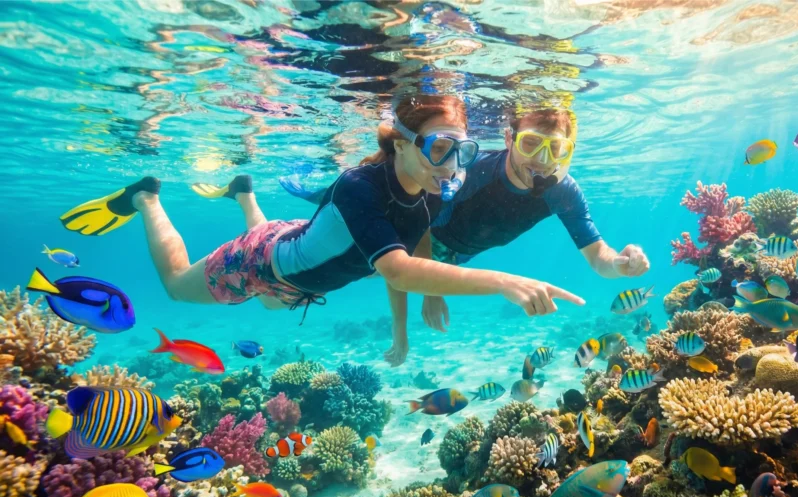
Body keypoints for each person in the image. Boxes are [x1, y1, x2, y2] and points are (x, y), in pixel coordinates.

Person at [59, 95, 585, 357]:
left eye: (462, 152)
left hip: (298, 259)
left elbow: (406, 260)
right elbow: (400, 270)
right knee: (177, 287)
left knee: (271, 296)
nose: (451, 168)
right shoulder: (361, 186)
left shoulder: (432, 189)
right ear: (401, 142)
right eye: (439, 149)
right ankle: (148, 198)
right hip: (261, 262)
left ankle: (245, 195)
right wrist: (505, 282)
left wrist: (400, 332)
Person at [415, 107, 650, 332]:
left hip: (452, 260)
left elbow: (598, 257)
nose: (541, 159)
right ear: (509, 140)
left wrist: (619, 263)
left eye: (555, 148)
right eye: (530, 143)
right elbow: (418, 220)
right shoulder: (474, 170)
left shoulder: (562, 192)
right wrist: (430, 288)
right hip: (414, 245)